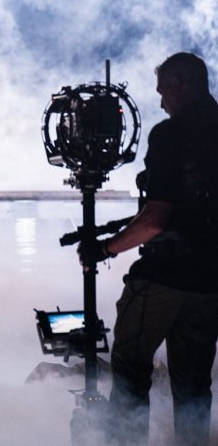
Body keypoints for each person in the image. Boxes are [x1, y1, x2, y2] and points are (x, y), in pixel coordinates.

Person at [80, 52, 218, 445]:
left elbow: (155, 219)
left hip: (165, 278)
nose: (161, 102)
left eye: (163, 92)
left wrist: (105, 249)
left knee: (129, 367)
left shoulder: (170, 135)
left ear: (180, 83)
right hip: (211, 283)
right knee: (193, 385)